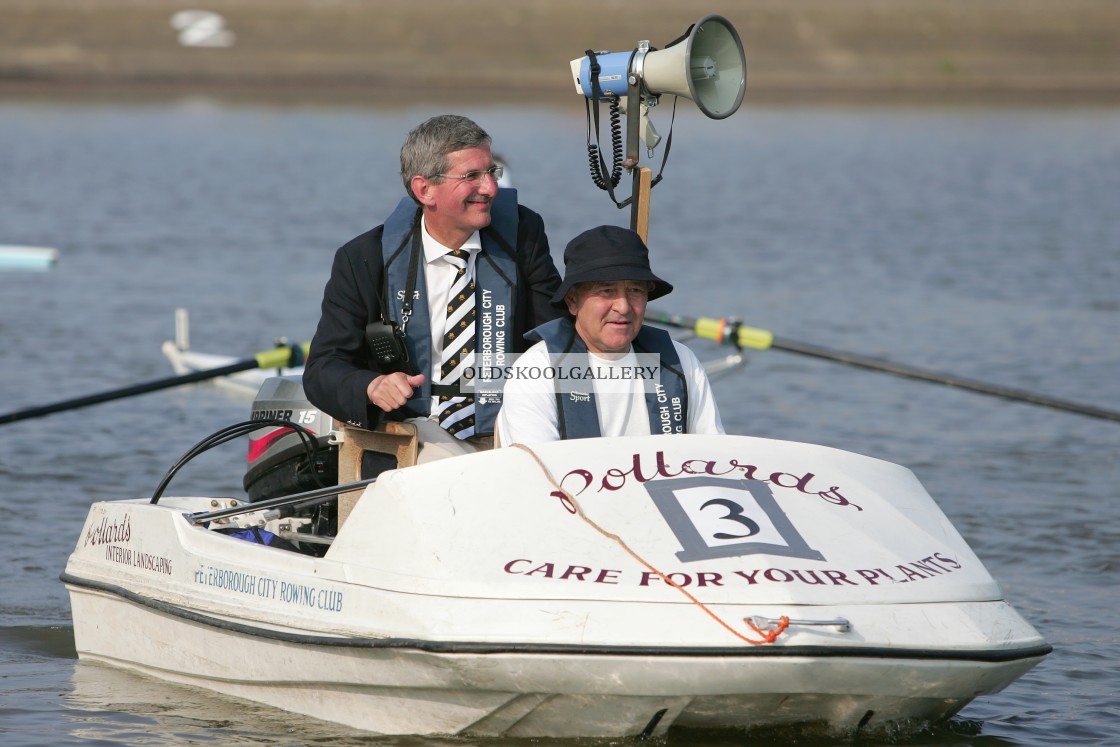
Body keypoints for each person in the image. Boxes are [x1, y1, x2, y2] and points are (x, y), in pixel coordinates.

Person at [304, 114, 562, 458]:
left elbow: (554, 337)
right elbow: (323, 369)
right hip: (420, 427)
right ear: (424, 189)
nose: (490, 188)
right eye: (472, 176)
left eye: (491, 172)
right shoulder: (363, 258)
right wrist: (372, 385)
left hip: (512, 422)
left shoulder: (523, 234)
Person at [496, 225, 724, 445]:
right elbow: (539, 472)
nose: (623, 307)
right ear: (573, 302)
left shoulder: (681, 361)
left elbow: (714, 454)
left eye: (635, 290)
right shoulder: (535, 372)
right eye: (607, 291)